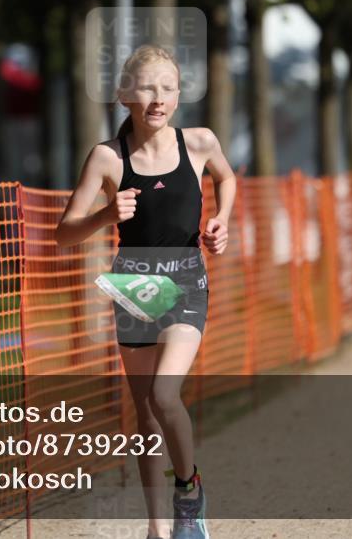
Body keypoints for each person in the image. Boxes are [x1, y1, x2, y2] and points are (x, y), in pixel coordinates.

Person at [55, 44, 235, 539]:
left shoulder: (198, 142)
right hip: (134, 285)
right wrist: (104, 216)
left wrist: (221, 219)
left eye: (169, 88)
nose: (159, 98)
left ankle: (189, 490)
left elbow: (227, 177)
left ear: (179, 94)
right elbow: (64, 231)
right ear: (123, 95)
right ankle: (158, 528)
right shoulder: (107, 158)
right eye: (148, 88)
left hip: (185, 283)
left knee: (163, 394)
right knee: (144, 415)